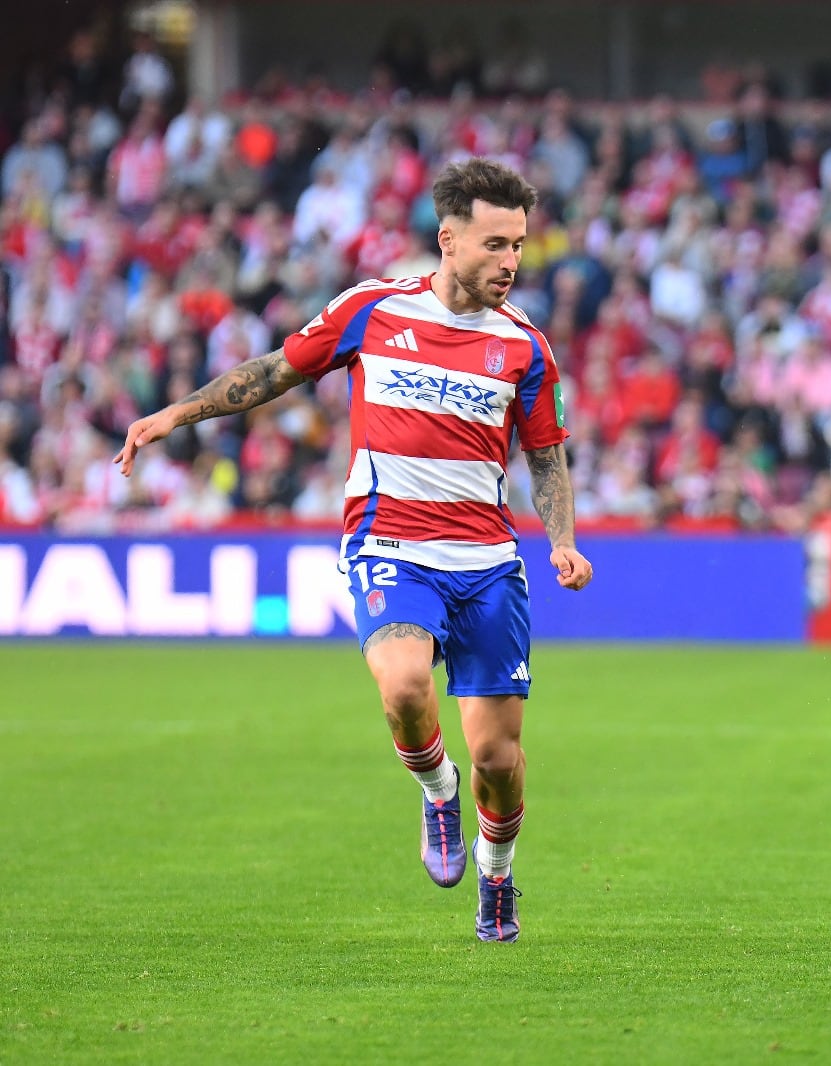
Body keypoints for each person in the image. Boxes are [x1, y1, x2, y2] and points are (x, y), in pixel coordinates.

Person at [115, 158, 593, 943]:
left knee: (501, 762)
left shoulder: (526, 348)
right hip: (391, 545)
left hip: (486, 562)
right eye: (496, 243)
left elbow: (545, 455)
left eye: (520, 245)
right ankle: (437, 793)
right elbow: (275, 371)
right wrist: (179, 413)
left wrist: (563, 542)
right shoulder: (372, 311)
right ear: (449, 239)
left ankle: (498, 876)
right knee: (405, 687)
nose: (512, 262)